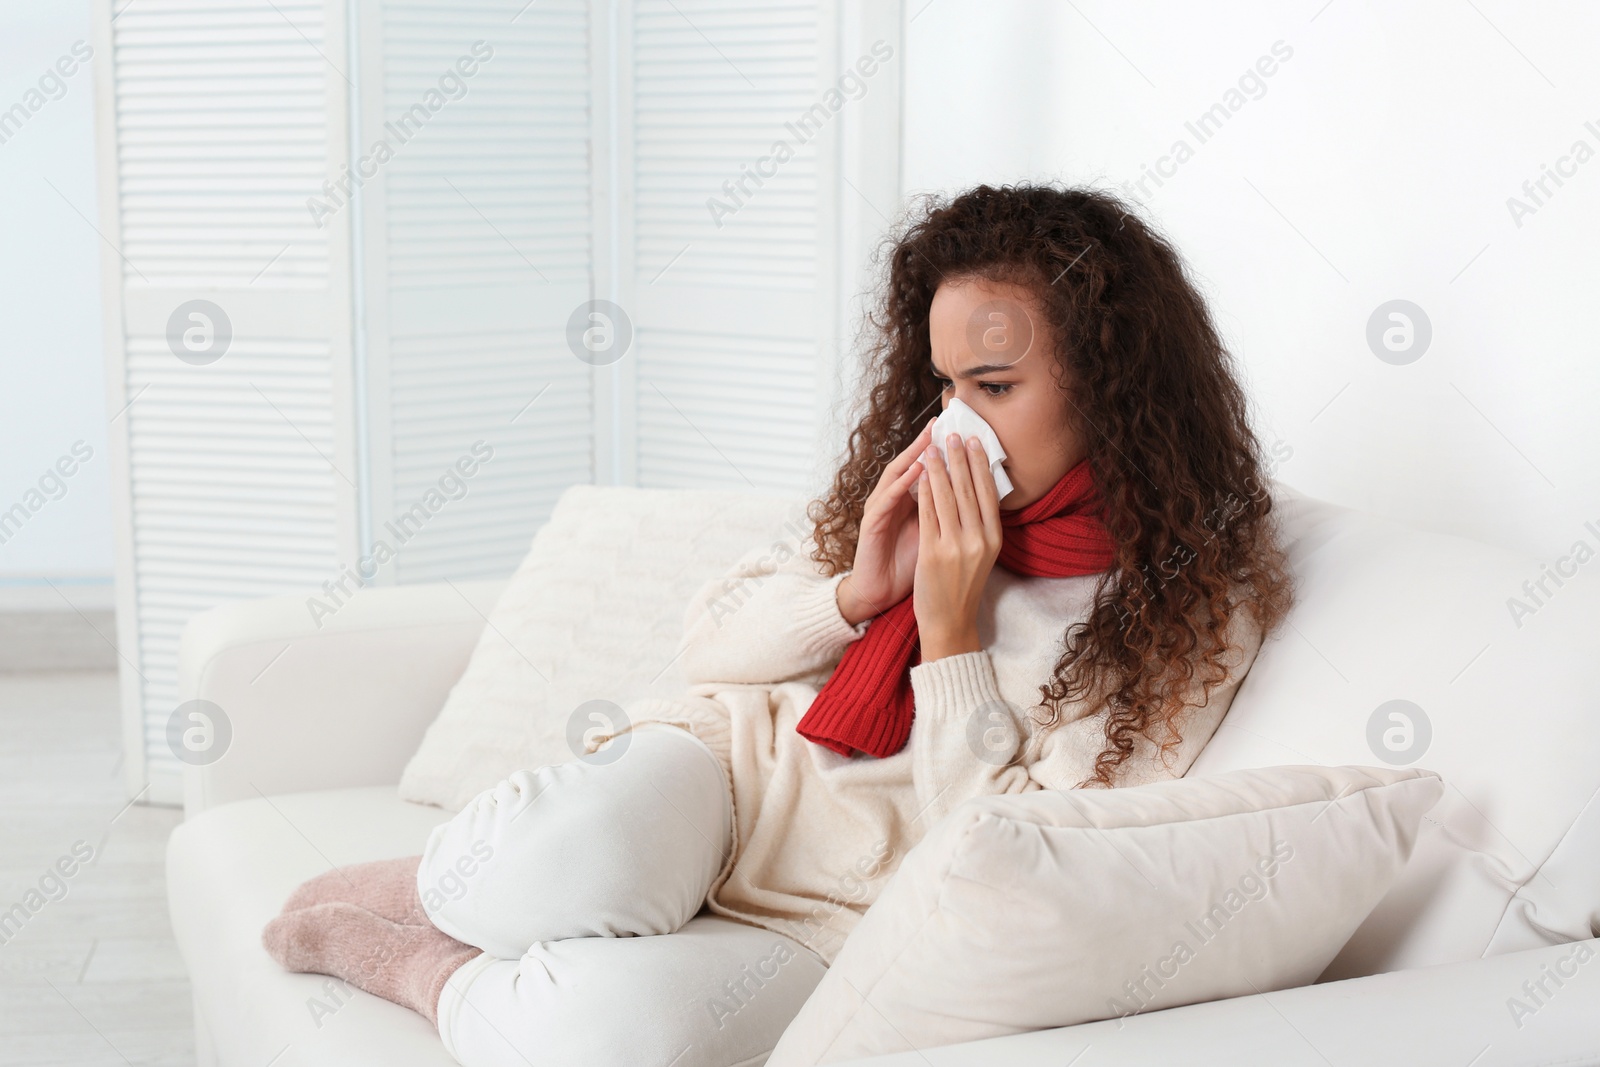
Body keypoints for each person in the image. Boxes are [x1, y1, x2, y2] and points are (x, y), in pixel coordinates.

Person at [262, 182, 1294, 1066]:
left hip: (846, 913)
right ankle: (450, 892)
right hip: (732, 778)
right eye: (943, 384)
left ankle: (424, 961)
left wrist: (950, 638)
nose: (955, 423)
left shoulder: (1192, 602)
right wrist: (853, 592)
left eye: (994, 386)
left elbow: (1012, 849)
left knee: (610, 1038)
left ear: (1112, 390)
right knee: (562, 850)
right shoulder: (904, 489)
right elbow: (706, 647)